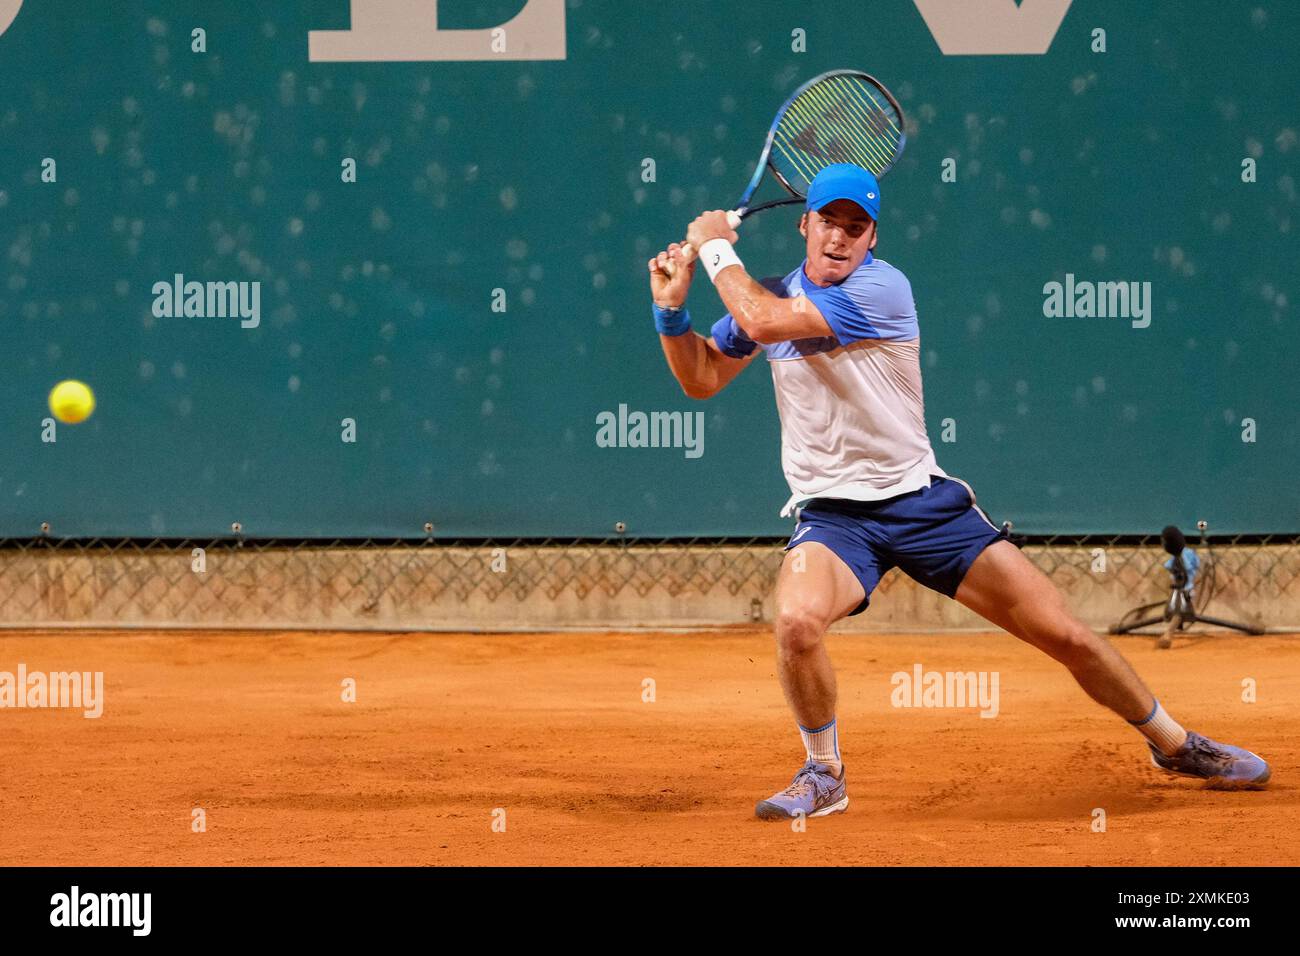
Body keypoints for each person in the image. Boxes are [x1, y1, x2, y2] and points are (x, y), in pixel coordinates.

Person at [647, 163, 1271, 820]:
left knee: (1066, 635)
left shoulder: (881, 291)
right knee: (797, 624)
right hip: (834, 518)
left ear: (872, 241)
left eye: (855, 228)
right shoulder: (772, 293)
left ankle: (1172, 744)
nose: (839, 238)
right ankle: (824, 769)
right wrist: (670, 311)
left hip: (921, 503)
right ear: (805, 224)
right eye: (828, 221)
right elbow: (702, 378)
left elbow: (767, 322)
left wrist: (714, 245)